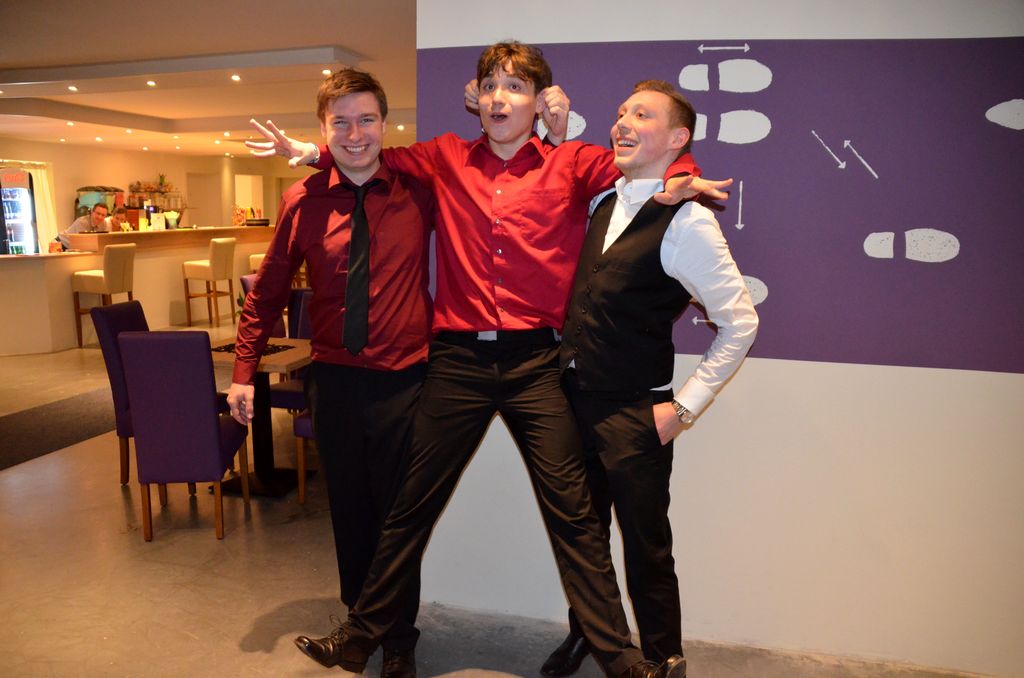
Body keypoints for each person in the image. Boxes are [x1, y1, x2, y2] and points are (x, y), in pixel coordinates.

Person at [249, 41, 729, 678]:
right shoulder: (444, 156)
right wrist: (312, 150)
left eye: (516, 87)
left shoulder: (573, 162)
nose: (502, 98)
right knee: (410, 505)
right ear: (476, 99)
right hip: (457, 363)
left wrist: (680, 176)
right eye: (491, 86)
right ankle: (363, 634)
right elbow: (366, 154)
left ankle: (622, 661)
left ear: (538, 100)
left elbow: (643, 165)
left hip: (537, 365)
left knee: (574, 516)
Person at [544, 80, 759, 677]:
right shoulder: (603, 203)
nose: (623, 122)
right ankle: (593, 636)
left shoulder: (689, 221)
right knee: (584, 541)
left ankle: (665, 658)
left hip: (636, 412)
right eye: (621, 112)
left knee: (646, 545)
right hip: (573, 402)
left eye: (642, 114)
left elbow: (740, 322)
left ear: (677, 138)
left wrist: (683, 408)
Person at [227, 68, 434, 678]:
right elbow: (267, 291)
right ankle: (360, 625)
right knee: (348, 511)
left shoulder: (420, 189)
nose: (355, 133)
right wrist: (243, 370)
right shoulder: (302, 199)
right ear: (323, 129)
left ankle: (399, 640)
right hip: (335, 381)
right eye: (340, 122)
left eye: (366, 119)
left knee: (399, 517)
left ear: (385, 124)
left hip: (405, 380)